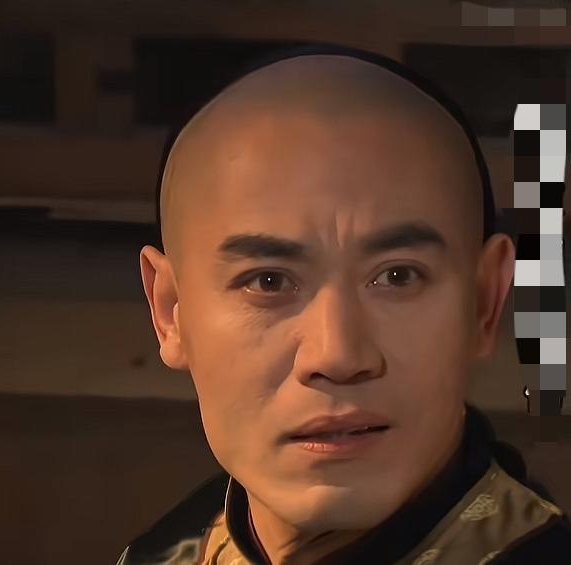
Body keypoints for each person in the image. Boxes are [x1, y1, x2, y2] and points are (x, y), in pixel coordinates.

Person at [118, 46, 571, 564]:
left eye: (398, 276)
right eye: (268, 281)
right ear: (170, 311)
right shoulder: (165, 554)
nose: (337, 356)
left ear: (484, 302)